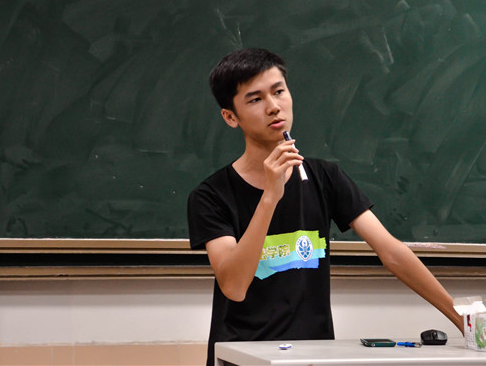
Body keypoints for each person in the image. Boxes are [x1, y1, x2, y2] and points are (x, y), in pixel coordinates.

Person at [187, 48, 463, 366]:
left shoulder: (324, 177)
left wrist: (461, 318)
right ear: (230, 117)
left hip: (312, 355)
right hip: (242, 357)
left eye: (279, 91)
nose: (273, 107)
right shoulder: (211, 196)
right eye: (255, 99)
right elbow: (234, 287)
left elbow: (392, 252)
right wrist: (270, 197)